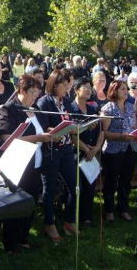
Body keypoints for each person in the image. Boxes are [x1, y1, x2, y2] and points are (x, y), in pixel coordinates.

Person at [0, 75, 53, 253]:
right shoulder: (9, 109)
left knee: (30, 203)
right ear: (21, 90)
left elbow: (42, 130)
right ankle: (10, 243)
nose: (35, 96)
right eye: (32, 92)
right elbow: (7, 138)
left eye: (38, 92)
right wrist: (38, 138)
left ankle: (23, 238)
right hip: (18, 164)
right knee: (15, 205)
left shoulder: (35, 108)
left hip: (36, 164)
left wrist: (51, 132)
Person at [37, 69, 78, 241]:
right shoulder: (44, 102)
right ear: (54, 85)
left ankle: (69, 221)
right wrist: (54, 132)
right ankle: (50, 224)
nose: (67, 87)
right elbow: (42, 127)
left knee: (73, 187)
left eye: (69, 84)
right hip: (51, 151)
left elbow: (72, 121)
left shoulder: (66, 102)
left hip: (67, 149)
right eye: (64, 84)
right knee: (50, 188)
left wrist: (80, 127)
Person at [101, 80, 137, 223]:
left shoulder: (131, 107)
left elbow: (135, 126)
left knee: (126, 180)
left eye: (126, 89)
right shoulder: (107, 109)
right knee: (111, 181)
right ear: (114, 91)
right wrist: (120, 136)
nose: (126, 91)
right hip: (113, 150)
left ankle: (123, 209)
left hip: (131, 148)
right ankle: (109, 210)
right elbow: (104, 133)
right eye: (123, 89)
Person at [71, 77, 104, 228]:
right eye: (85, 87)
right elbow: (72, 134)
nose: (89, 90)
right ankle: (74, 216)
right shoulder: (71, 109)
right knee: (78, 187)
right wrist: (86, 149)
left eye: (90, 87)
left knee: (90, 185)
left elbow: (101, 131)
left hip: (92, 153)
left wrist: (97, 148)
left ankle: (87, 217)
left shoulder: (92, 109)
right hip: (77, 152)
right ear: (76, 90)